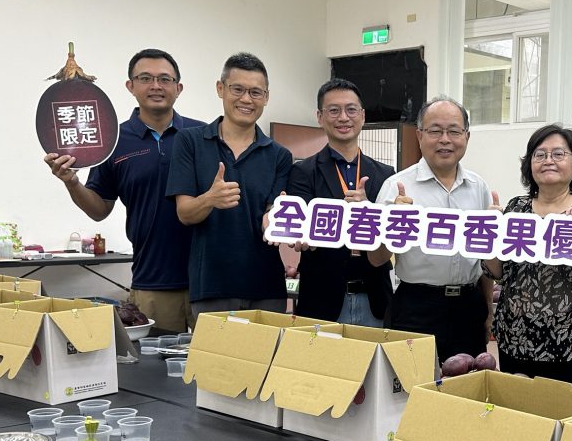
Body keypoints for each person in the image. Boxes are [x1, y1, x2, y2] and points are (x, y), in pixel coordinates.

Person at [44, 48, 202, 332]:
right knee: (155, 359)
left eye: (165, 79)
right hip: (152, 281)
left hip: (210, 282)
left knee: (219, 359)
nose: (156, 86)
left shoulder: (203, 136)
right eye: (145, 78)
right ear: (130, 86)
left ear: (178, 88)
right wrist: (72, 182)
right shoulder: (114, 141)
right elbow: (99, 209)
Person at [482, 125, 572, 388]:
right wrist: (491, 233)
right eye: (540, 155)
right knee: (517, 409)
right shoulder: (515, 209)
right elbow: (496, 272)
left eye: (558, 154)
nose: (548, 161)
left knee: (563, 411)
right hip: (515, 337)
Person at [166, 52, 293, 318]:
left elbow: (272, 211)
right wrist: (210, 199)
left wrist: (275, 220)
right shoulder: (190, 142)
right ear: (220, 89)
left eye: (256, 92)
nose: (246, 99)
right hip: (212, 287)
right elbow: (185, 213)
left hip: (267, 288)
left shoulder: (280, 155)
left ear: (266, 97)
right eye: (238, 89)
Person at [370, 97, 493, 361]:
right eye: (435, 131)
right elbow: (376, 258)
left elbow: (485, 257)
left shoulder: (479, 187)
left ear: (467, 136)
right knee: (412, 382)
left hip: (469, 306)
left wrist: (488, 309)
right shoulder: (396, 187)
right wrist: (393, 226)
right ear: (419, 136)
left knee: (467, 381)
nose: (445, 139)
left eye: (454, 131)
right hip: (417, 307)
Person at [286, 78, 395, 325]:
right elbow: (302, 228)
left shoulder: (386, 175)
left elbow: (391, 234)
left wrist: (369, 211)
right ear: (320, 117)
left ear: (363, 116)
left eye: (351, 110)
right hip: (322, 300)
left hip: (375, 299)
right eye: (334, 110)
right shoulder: (303, 172)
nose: (343, 117)